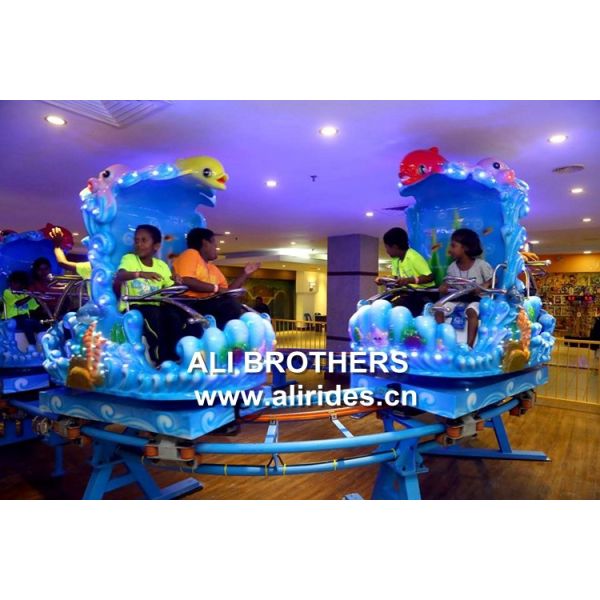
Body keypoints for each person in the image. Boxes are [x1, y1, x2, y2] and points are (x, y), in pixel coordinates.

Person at [113, 224, 179, 363]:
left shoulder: (161, 266)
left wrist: (177, 282)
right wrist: (140, 274)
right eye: (136, 240)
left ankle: (174, 357)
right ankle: (158, 360)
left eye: (144, 240)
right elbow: (120, 275)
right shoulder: (129, 259)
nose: (139, 244)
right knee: (153, 317)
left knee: (175, 316)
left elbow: (170, 288)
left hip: (156, 306)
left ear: (156, 246)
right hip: (134, 305)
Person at [172, 227, 260, 330]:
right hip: (189, 304)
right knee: (229, 306)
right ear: (205, 243)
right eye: (214, 242)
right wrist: (216, 288)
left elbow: (227, 292)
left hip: (206, 306)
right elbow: (186, 280)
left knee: (234, 305)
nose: (216, 246)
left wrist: (245, 273)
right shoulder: (191, 254)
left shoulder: (212, 268)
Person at [435, 228, 493, 347]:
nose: (450, 250)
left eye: (453, 246)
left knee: (471, 312)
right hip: (459, 300)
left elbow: (493, 279)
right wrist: (444, 286)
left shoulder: (481, 265)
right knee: (438, 308)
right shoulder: (452, 267)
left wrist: (485, 285)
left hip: (477, 300)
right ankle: (442, 341)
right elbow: (448, 281)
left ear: (465, 248)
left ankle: (469, 346)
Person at [374, 227, 436, 317]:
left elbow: (430, 277)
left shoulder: (413, 257)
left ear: (395, 247)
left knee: (397, 307)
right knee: (381, 303)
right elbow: (396, 280)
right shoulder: (395, 260)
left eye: (387, 247)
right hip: (407, 292)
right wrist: (384, 280)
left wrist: (409, 280)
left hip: (423, 293)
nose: (386, 251)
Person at [2, 271, 46, 350]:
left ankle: (45, 342)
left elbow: (35, 307)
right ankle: (32, 346)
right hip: (11, 319)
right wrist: (31, 296)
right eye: (15, 283)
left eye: (20, 284)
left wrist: (39, 296)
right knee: (27, 322)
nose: (17, 286)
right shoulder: (7, 292)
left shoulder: (24, 293)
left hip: (24, 318)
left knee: (36, 323)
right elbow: (17, 304)